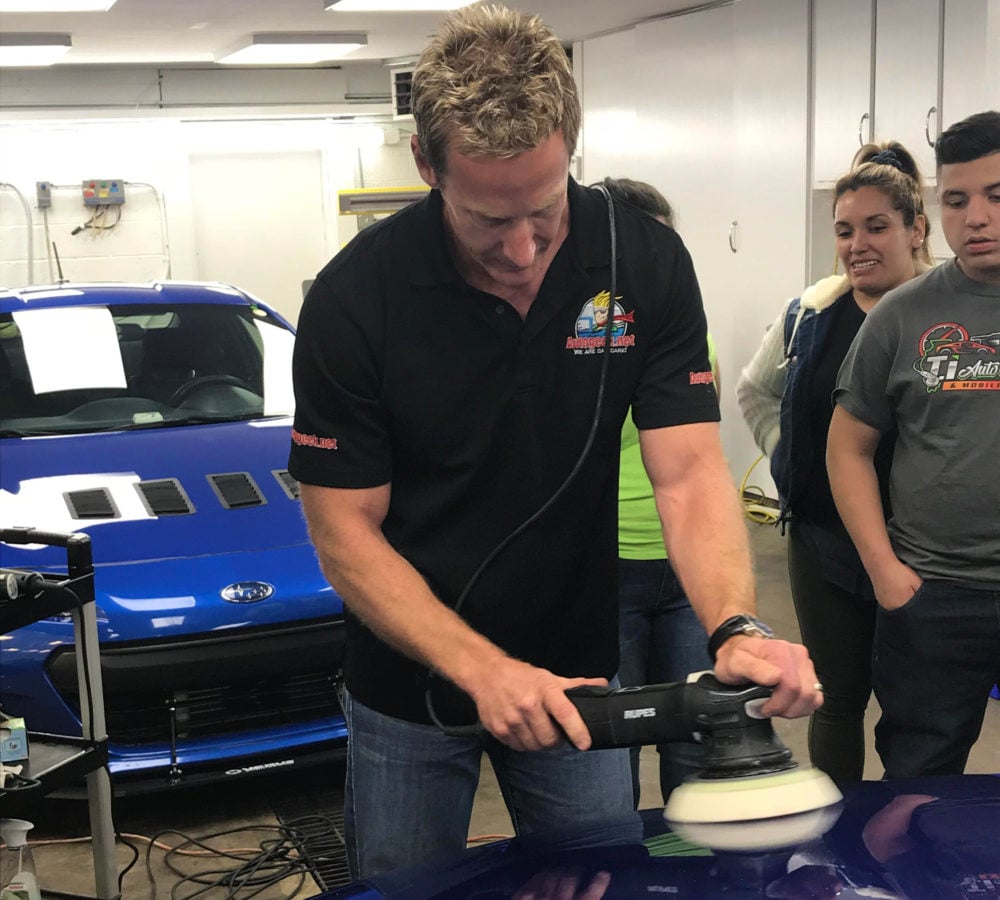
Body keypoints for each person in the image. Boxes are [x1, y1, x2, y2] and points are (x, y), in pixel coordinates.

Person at [289, 5, 822, 879]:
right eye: (486, 219)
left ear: (570, 142)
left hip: (577, 676)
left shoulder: (643, 262)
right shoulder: (357, 299)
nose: (523, 247)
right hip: (407, 689)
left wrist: (734, 623)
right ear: (427, 165)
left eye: (543, 209)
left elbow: (688, 472)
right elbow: (344, 531)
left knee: (596, 879)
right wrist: (484, 669)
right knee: (400, 888)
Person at [735, 142, 932, 786]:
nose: (858, 245)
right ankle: (843, 843)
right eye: (845, 230)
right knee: (837, 699)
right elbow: (754, 391)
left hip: (919, 547)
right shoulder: (811, 314)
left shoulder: (943, 317)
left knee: (917, 708)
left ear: (916, 229)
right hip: (822, 541)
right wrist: (791, 462)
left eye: (877, 226)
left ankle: (915, 838)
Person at [826, 110, 1000, 778]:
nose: (975, 218)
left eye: (995, 195)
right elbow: (847, 449)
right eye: (956, 200)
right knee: (916, 783)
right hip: (933, 595)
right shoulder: (902, 316)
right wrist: (885, 572)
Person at [597, 176, 717, 806]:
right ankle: (623, 872)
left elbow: (695, 461)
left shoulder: (686, 335)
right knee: (613, 736)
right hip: (608, 564)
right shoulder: (582, 340)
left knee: (695, 732)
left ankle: (687, 868)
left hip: (687, 566)